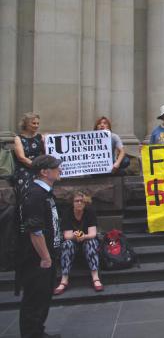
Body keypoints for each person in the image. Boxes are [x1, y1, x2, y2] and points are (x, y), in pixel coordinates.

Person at [15, 155, 62, 338]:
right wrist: (45, 257)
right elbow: (34, 230)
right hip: (37, 259)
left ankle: (38, 332)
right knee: (34, 299)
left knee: (43, 297)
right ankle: (31, 334)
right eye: (56, 167)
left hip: (47, 256)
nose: (60, 170)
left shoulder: (45, 192)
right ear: (44, 171)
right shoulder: (35, 194)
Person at [53, 191, 103, 296]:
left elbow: (93, 233)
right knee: (67, 244)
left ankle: (95, 277)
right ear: (73, 202)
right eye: (77, 201)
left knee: (91, 242)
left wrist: (83, 236)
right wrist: (76, 236)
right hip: (73, 241)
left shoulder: (90, 212)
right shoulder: (67, 213)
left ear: (85, 203)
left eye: (81, 201)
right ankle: (64, 279)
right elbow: (67, 235)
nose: (79, 203)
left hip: (87, 240)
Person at [13, 112, 45, 206]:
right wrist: (36, 166)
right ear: (26, 124)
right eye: (33, 123)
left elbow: (48, 153)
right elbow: (21, 157)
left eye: (38, 123)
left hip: (40, 170)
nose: (36, 126)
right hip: (24, 170)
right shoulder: (18, 138)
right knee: (26, 195)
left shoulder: (40, 137)